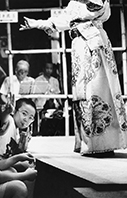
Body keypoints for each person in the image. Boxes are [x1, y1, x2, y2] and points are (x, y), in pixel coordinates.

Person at [19, 0, 127, 156]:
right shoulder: (74, 4)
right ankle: (86, 142)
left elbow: (96, 8)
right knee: (81, 92)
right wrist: (37, 23)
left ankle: (102, 144)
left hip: (94, 45)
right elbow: (63, 20)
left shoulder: (92, 3)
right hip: (80, 45)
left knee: (96, 90)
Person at [0, 98, 37, 198]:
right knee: (17, 170)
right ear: (15, 111)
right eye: (24, 113)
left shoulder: (17, 132)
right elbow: (3, 120)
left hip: (2, 161)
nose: (26, 119)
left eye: (31, 118)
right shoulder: (10, 121)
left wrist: (23, 145)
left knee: (28, 166)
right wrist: (7, 112)